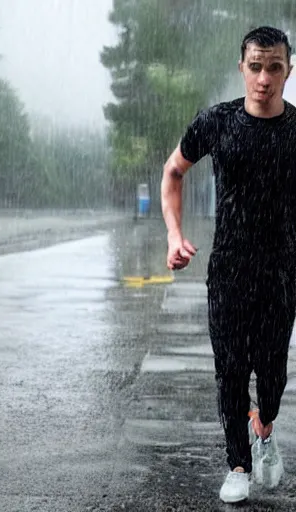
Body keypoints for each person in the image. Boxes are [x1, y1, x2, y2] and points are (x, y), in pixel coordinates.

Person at [161, 26, 296, 504]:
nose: (264, 78)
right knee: (231, 371)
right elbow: (173, 171)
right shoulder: (216, 122)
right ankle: (237, 463)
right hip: (230, 269)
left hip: (283, 271)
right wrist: (175, 235)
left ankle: (264, 428)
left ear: (288, 70)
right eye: (255, 66)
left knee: (273, 375)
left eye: (274, 67)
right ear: (242, 68)